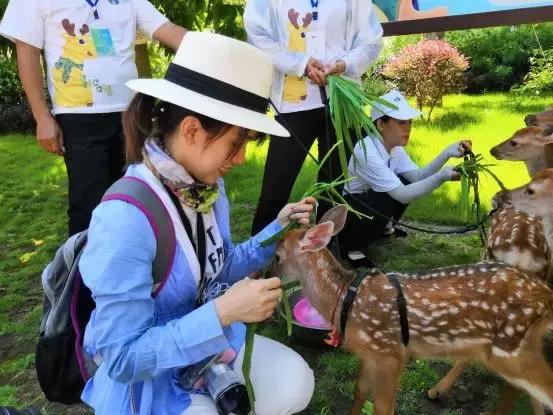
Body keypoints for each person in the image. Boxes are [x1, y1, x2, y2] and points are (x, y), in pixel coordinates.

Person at [77, 32, 315, 414]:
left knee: (296, 382)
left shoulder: (206, 189)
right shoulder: (125, 219)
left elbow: (218, 266)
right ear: (191, 130)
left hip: (205, 351)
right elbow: (121, 359)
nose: (239, 159)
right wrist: (224, 312)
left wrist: (278, 229)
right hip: (148, 382)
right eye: (237, 142)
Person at [0, 0, 187, 236]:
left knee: (136, 201)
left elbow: (168, 30)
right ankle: (83, 271)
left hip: (130, 116)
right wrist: (42, 116)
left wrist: (216, 50)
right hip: (78, 118)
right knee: (89, 208)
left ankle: (132, 267)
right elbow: (27, 49)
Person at [244, 0, 384, 235]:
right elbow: (257, 35)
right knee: (276, 187)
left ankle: (324, 253)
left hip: (342, 101)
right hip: (292, 104)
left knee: (334, 183)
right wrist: (300, 64)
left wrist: (344, 64)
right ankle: (258, 256)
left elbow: (371, 40)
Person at [338, 90, 471, 265]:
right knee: (390, 192)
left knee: (404, 182)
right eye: (401, 122)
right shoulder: (366, 150)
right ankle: (350, 246)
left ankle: (384, 228)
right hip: (352, 209)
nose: (408, 127)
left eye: (410, 122)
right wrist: (442, 176)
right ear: (380, 124)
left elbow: (417, 176)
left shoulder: (394, 147)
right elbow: (402, 195)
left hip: (371, 202)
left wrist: (447, 153)